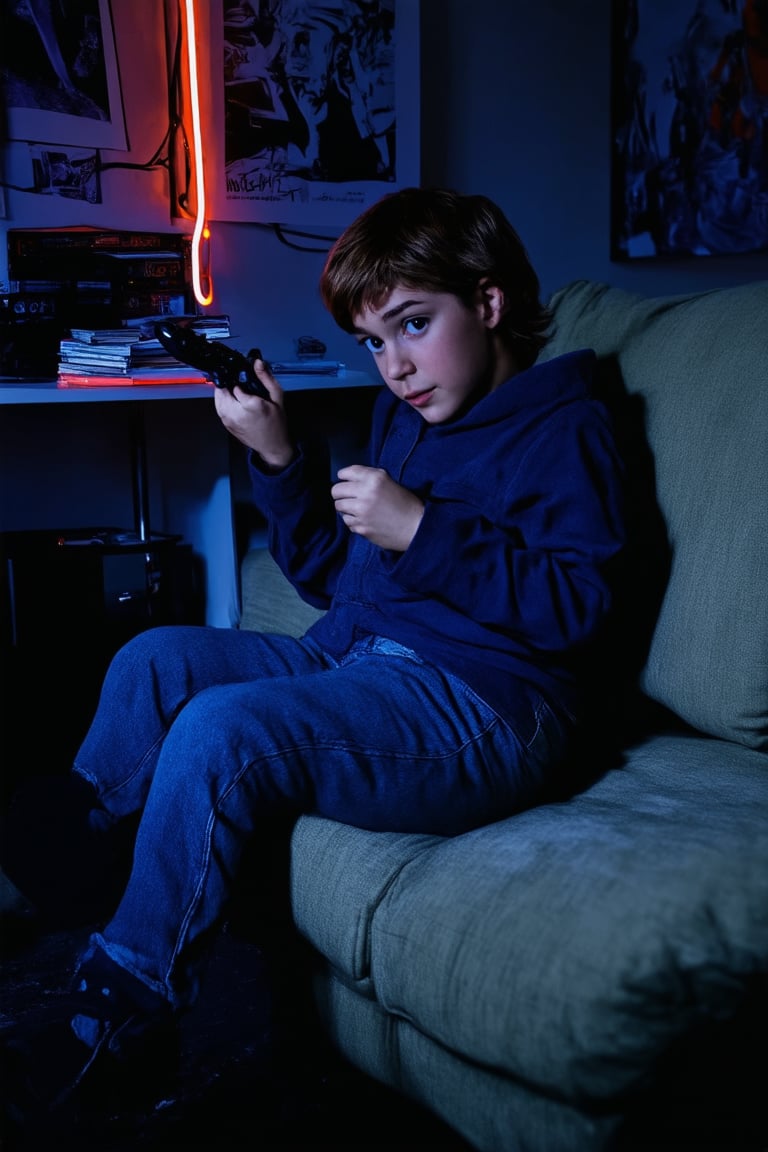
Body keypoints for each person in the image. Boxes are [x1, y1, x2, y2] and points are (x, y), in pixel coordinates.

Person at [0, 187, 627, 1129]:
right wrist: (279, 454)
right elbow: (339, 579)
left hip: (483, 704)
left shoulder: (566, 428)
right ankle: (78, 862)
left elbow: (583, 612)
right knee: (155, 659)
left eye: (414, 325)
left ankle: (125, 1017)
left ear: (490, 304)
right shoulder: (408, 417)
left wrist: (423, 530)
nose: (396, 366)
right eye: (375, 343)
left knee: (223, 730)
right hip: (359, 660)